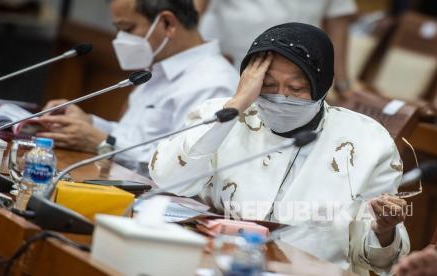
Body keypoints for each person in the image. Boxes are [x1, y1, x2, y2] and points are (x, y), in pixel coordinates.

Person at [149, 23, 410, 274]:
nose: (280, 97)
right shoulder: (223, 116)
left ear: (321, 85)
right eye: (268, 85)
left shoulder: (368, 142)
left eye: (296, 88)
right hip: (215, 262)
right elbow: (168, 180)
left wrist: (384, 230)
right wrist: (238, 102)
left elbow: (382, 262)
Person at [38, 0, 239, 176]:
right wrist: (88, 123)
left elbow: (180, 166)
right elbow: (135, 137)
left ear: (168, 23)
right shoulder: (158, 66)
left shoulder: (213, 83)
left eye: (127, 28)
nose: (119, 39)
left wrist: (104, 143)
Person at [194, 0, 357, 93]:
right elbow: (195, 9)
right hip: (233, 67)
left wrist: (342, 85)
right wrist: (199, 58)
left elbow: (337, 20)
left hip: (302, 75)